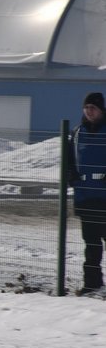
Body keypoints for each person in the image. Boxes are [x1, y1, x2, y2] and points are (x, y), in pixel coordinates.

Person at [67, 92, 106, 294]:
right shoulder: (76, 133)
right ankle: (92, 284)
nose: (89, 111)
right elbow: (69, 160)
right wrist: (71, 176)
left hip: (105, 198)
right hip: (86, 197)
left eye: (94, 108)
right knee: (91, 244)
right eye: (87, 108)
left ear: (101, 110)